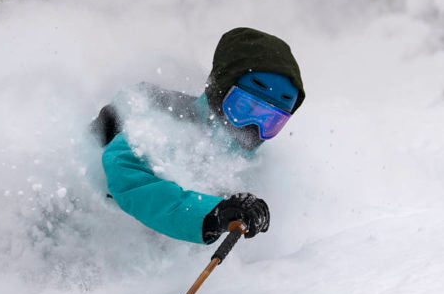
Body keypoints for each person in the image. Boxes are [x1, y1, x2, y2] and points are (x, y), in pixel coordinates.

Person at [90, 27, 306, 245]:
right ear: (219, 91)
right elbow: (130, 181)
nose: (254, 127)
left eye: (271, 121)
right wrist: (215, 214)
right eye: (244, 107)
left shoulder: (252, 163)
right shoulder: (162, 122)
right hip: (84, 229)